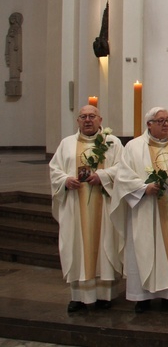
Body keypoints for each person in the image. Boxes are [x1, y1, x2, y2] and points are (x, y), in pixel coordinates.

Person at [111, 107, 168, 313]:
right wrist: (143, 188)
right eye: (160, 121)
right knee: (143, 250)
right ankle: (141, 297)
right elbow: (123, 177)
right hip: (144, 209)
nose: (166, 124)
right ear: (149, 124)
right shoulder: (134, 147)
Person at [49, 105, 124, 313]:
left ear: (100, 120)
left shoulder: (112, 143)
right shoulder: (67, 144)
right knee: (76, 247)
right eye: (83, 117)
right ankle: (78, 296)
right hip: (75, 204)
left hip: (104, 205)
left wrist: (103, 176)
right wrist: (65, 180)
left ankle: (104, 295)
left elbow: (123, 167)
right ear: (78, 121)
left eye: (92, 116)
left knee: (104, 245)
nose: (87, 120)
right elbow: (54, 170)